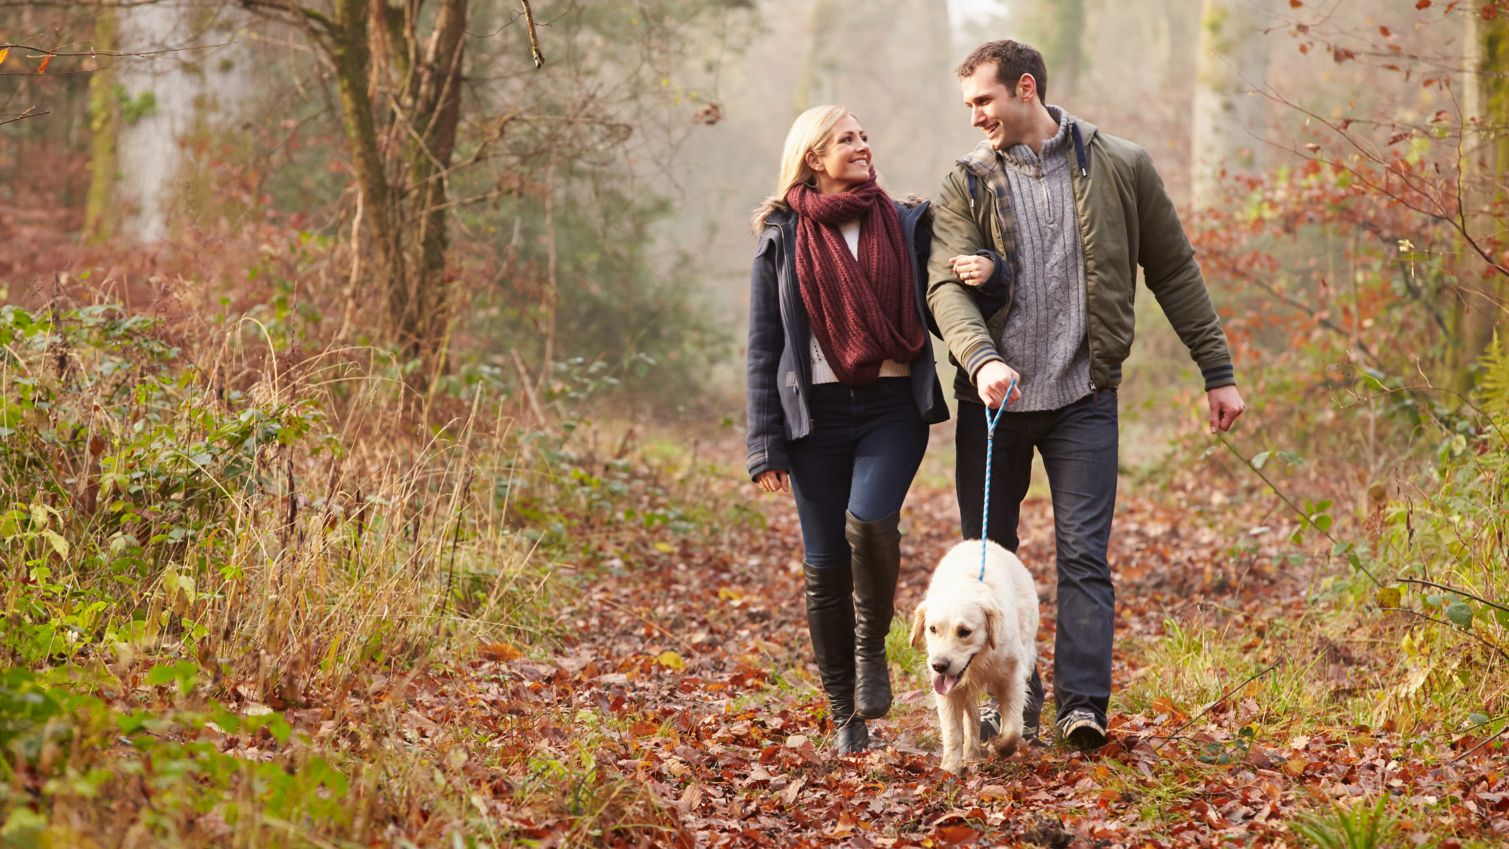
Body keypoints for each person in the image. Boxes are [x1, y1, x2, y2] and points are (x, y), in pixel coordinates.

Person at [927, 40, 1247, 751]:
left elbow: (1173, 269)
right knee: (988, 563)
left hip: (1082, 398)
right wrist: (979, 360)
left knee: (1083, 558)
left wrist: (1215, 370)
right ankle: (1003, 704)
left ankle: (1080, 706)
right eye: (968, 105)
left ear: (1026, 88)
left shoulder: (1120, 166)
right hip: (994, 404)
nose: (975, 116)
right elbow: (943, 287)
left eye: (984, 100)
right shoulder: (965, 184)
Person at [746, 105, 949, 755]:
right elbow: (762, 345)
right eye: (847, 139)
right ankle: (844, 716)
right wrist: (765, 443)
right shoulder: (781, 233)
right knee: (824, 565)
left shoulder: (905, 220)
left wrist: (984, 278)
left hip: (891, 405)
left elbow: (950, 297)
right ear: (813, 156)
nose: (862, 146)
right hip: (815, 419)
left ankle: (871, 643)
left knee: (868, 520)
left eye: (864, 136)